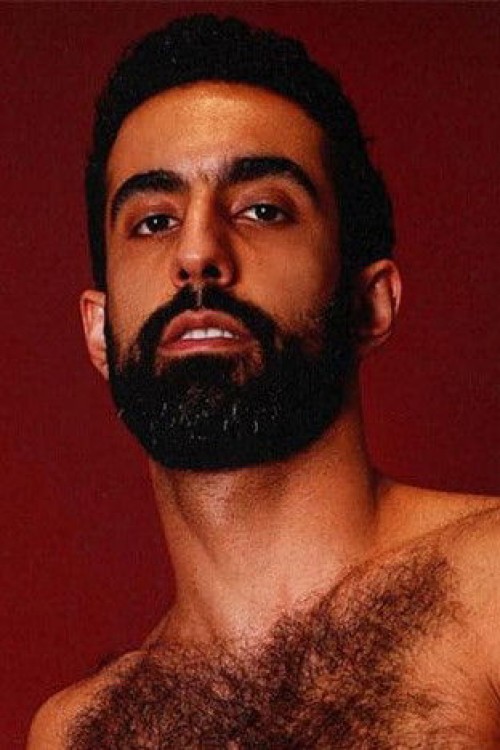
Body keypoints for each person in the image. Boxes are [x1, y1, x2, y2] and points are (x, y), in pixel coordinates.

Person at [28, 14, 500, 748]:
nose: (197, 253)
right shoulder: (78, 733)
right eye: (153, 221)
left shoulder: (489, 586)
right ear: (99, 332)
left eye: (262, 210)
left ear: (369, 304)